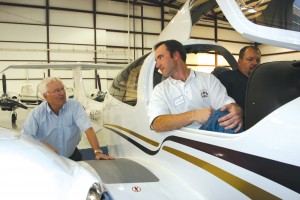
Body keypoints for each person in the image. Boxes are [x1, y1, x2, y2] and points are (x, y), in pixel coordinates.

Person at [147, 39, 243, 133]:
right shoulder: (160, 90)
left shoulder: (208, 79)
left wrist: (236, 110)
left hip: (211, 135)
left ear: (176, 55)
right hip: (183, 141)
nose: (157, 65)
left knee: (227, 114)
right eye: (156, 60)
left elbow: (227, 106)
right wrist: (193, 115)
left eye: (160, 57)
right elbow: (157, 124)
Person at [21, 77, 114, 161]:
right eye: (57, 91)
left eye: (62, 89)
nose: (62, 93)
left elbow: (88, 128)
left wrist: (97, 151)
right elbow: (25, 137)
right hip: (47, 159)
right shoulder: (36, 114)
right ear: (45, 96)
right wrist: (43, 145)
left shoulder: (75, 106)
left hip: (72, 156)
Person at [217, 46, 261, 111]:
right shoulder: (226, 78)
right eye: (250, 59)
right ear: (239, 62)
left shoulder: (262, 80)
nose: (255, 63)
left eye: (258, 60)